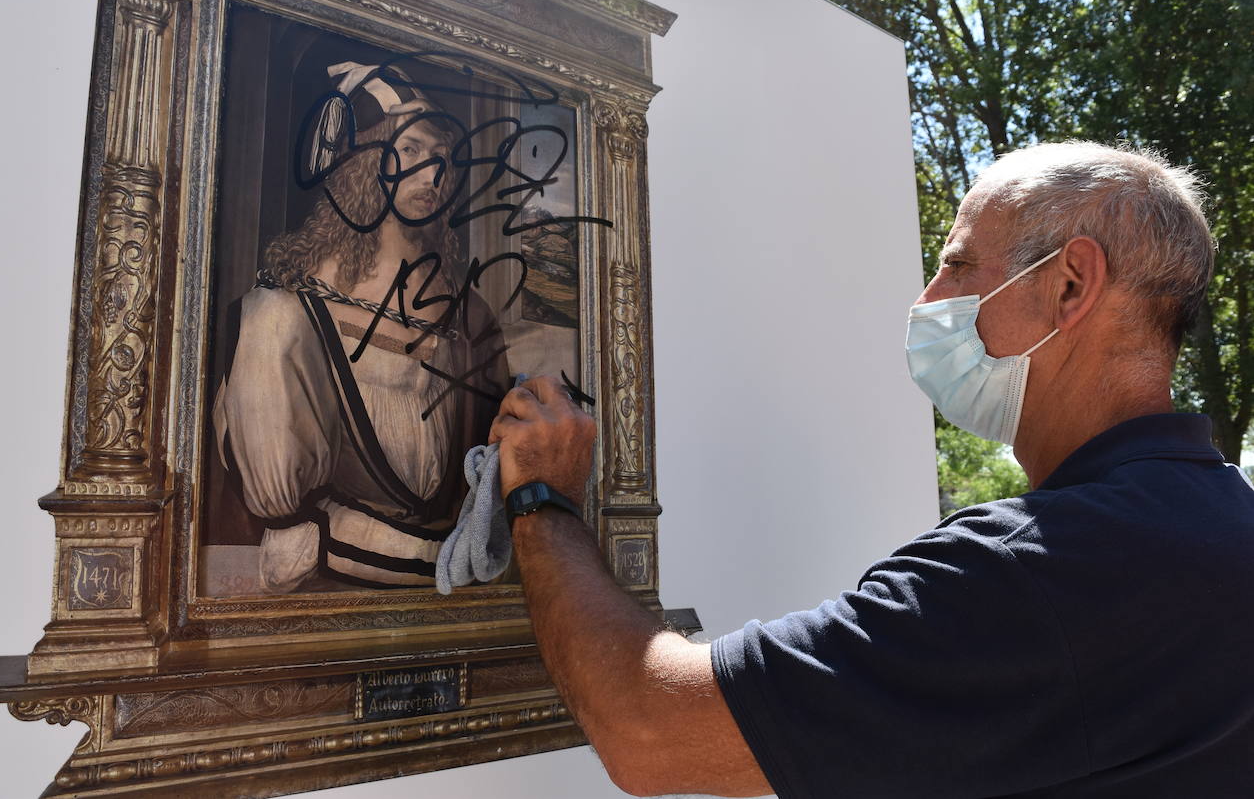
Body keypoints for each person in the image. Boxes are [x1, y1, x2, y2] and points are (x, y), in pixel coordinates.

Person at [490, 142, 1254, 796]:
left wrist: (542, 499)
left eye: (957, 267)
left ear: (1070, 284)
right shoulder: (1230, 521)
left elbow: (647, 727)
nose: (928, 300)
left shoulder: (1031, 573)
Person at [214, 61, 508, 592]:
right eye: (412, 150)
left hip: (446, 544)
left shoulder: (471, 309)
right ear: (365, 159)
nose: (433, 174)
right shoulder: (298, 293)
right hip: (329, 532)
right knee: (270, 315)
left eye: (442, 158)